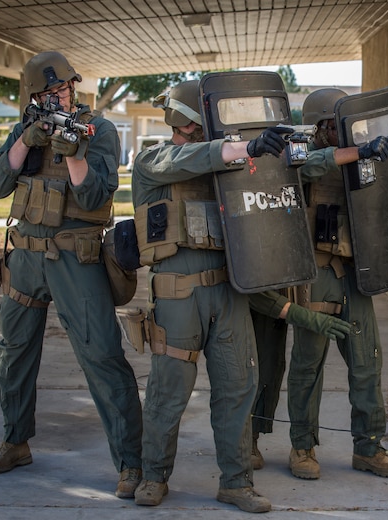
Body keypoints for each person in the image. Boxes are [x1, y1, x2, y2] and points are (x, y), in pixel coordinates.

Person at [130, 79, 299, 513]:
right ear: (189, 122)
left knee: (238, 388)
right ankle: (153, 476)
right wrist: (244, 147)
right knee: (169, 391)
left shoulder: (229, 166)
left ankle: (237, 482)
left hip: (228, 292)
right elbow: (190, 158)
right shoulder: (154, 160)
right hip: (178, 296)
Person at [0, 51, 144, 499]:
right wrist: (27, 140)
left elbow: (94, 197)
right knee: (14, 353)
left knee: (102, 357)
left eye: (64, 89)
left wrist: (72, 152)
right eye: (49, 93)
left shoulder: (101, 131)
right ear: (34, 97)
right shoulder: (26, 131)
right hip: (26, 259)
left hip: (76, 258)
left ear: (74, 87)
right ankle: (15, 442)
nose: (59, 97)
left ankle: (132, 463)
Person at [285, 88, 388, 480]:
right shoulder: (299, 154)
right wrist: (359, 152)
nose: (344, 132)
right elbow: (311, 167)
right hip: (316, 273)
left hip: (355, 274)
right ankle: (302, 446)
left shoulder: (362, 153)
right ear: (320, 127)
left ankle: (369, 447)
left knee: (366, 362)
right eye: (337, 125)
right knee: (308, 365)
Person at [248, 289, 352, 470]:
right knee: (262, 357)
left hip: (311, 272)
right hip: (267, 272)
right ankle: (248, 437)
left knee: (308, 362)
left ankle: (303, 445)